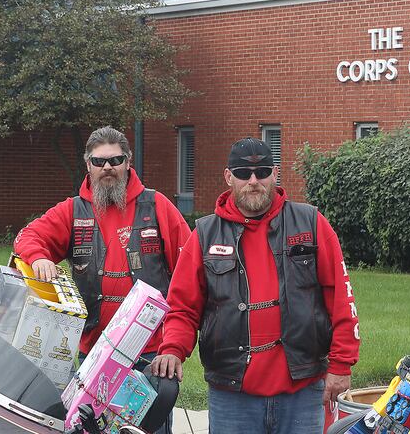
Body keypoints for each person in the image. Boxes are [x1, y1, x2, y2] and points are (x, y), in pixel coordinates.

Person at [151, 137, 361, 433]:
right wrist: (172, 348)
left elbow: (342, 299)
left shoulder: (311, 223)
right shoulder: (204, 235)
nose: (253, 181)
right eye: (243, 173)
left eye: (262, 172)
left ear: (275, 173)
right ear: (228, 177)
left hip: (302, 390)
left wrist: (341, 365)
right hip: (232, 395)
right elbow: (183, 307)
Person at [13, 125, 191, 372]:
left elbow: (189, 269)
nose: (107, 167)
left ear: (127, 163)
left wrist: (174, 344)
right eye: (99, 161)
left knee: (152, 413)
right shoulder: (73, 211)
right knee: (90, 413)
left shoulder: (157, 206)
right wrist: (38, 257)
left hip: (149, 350)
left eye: (115, 160)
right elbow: (27, 235)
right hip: (93, 348)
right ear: (88, 165)